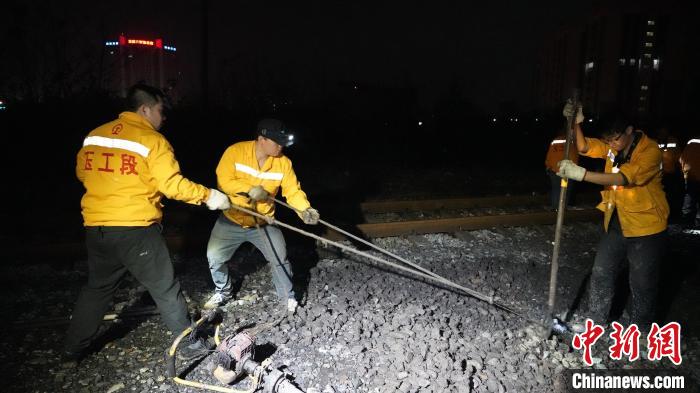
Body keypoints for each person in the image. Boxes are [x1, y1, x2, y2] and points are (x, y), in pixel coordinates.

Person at [65, 84, 231, 363]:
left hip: (97, 229)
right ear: (144, 109)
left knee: (97, 288)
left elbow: (83, 173)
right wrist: (210, 196)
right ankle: (189, 346)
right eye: (160, 110)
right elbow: (173, 186)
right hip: (136, 229)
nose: (163, 117)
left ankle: (72, 348)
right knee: (165, 288)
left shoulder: (94, 135)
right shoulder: (152, 140)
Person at [557, 103, 668, 330]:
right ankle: (597, 321)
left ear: (630, 130)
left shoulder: (650, 151)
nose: (610, 144)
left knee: (642, 282)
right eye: (607, 140)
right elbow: (585, 147)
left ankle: (642, 329)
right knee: (601, 271)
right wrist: (577, 123)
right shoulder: (613, 147)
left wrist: (583, 174)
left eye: (614, 139)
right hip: (617, 222)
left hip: (646, 227)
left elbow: (624, 179)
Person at [203, 119, 320, 312]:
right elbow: (223, 181)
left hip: (264, 222)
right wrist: (249, 189)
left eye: (282, 141)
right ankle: (223, 292)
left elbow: (292, 192)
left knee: (279, 258)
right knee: (214, 257)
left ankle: (288, 297)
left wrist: (304, 209)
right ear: (261, 139)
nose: (281, 146)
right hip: (232, 219)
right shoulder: (235, 152)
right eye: (276, 141)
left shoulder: (283, 163)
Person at [545, 128, 579, 209]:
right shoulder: (572, 141)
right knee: (565, 190)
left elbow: (549, 155)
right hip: (567, 170)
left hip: (554, 169)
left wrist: (548, 166)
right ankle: (562, 209)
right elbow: (575, 156)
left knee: (556, 189)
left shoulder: (555, 141)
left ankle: (555, 208)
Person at [656, 126, 683, 221]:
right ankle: (662, 216)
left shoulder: (673, 140)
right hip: (659, 176)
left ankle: (673, 216)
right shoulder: (655, 142)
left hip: (671, 174)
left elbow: (678, 155)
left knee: (672, 196)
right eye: (661, 130)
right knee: (661, 197)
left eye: (665, 130)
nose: (663, 132)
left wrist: (679, 169)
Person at [679, 136, 700, 228]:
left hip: (691, 175)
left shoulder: (691, 143)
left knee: (689, 197)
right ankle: (697, 220)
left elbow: (682, 158)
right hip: (694, 175)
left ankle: (687, 220)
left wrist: (685, 171)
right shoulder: (692, 143)